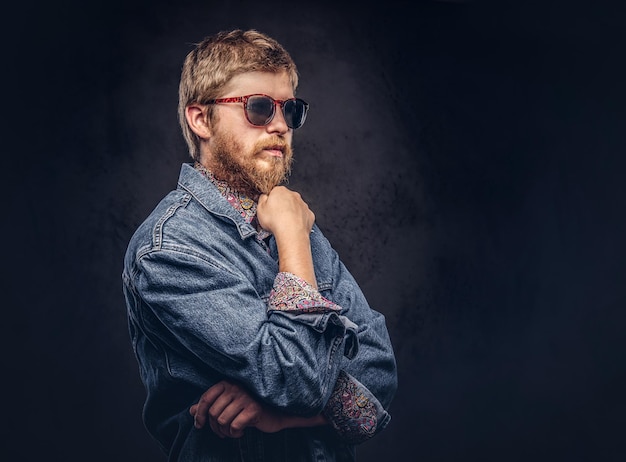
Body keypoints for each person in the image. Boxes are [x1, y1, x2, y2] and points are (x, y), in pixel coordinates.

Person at [122, 28, 398, 461]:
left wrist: (282, 415)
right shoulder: (168, 250)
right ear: (200, 119)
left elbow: (379, 374)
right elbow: (297, 382)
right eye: (258, 107)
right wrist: (293, 238)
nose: (280, 126)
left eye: (290, 110)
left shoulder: (285, 218)